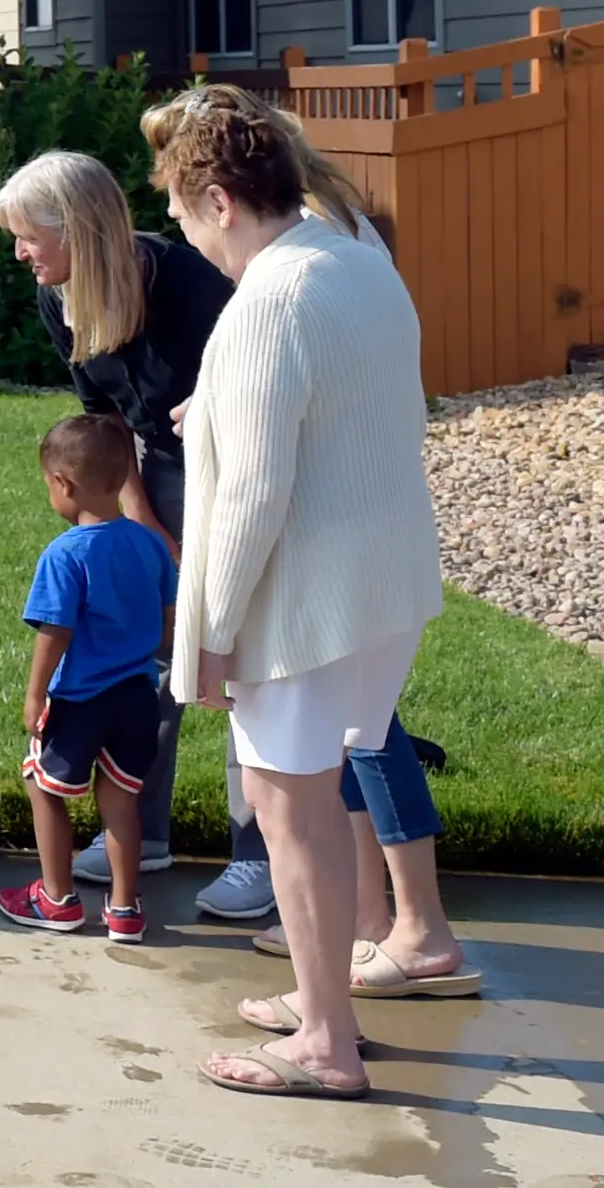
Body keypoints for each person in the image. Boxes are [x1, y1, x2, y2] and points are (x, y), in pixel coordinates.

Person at [147, 85, 445, 1101]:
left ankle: (325, 1041)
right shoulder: (361, 260)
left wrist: (212, 634)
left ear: (222, 201)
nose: (190, 244)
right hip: (385, 582)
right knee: (325, 790)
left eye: (186, 220)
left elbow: (255, 496)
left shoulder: (268, 299)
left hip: (303, 603)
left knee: (289, 807)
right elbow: (350, 407)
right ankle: (331, 992)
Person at [233, 101, 481, 1000]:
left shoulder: (307, 260)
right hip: (380, 546)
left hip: (336, 558)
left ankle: (408, 929)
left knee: (352, 753)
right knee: (359, 743)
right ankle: (374, 925)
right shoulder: (353, 243)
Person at [0, 149, 266, 915]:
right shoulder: (61, 297)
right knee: (150, 647)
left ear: (76, 229)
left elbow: (260, 375)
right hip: (154, 462)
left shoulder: (181, 283)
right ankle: (139, 835)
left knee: (242, 652)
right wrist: (143, 523)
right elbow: (108, 422)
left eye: (28, 237)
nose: (19, 253)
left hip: (243, 463)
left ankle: (262, 853)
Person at [0, 411, 174, 942]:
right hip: (139, 695)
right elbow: (165, 622)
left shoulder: (64, 554)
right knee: (120, 797)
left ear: (63, 484)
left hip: (80, 699)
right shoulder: (150, 545)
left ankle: (56, 899)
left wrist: (34, 696)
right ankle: (124, 909)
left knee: (41, 784)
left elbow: (54, 632)